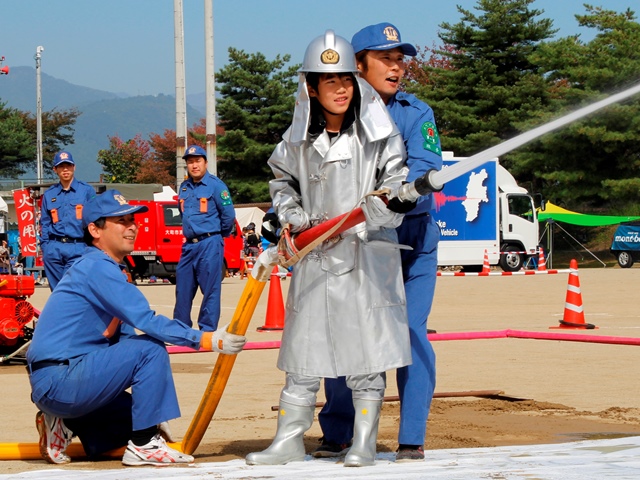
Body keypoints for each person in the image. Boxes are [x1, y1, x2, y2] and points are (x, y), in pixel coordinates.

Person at [245, 30, 411, 468]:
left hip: (364, 254)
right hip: (313, 255)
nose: (340, 89)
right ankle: (289, 438)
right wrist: (294, 217)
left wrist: (385, 203)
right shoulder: (294, 142)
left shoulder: (379, 136)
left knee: (367, 351)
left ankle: (363, 441)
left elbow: (395, 184)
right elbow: (282, 184)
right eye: (329, 81)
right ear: (311, 88)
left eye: (346, 80)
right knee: (303, 351)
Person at [26, 190, 247, 466]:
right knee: (151, 349)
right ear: (94, 229)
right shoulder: (96, 267)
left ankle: (64, 422)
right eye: (121, 221)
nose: (132, 227)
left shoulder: (106, 268)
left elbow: (126, 337)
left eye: (132, 220)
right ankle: (143, 445)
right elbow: (148, 321)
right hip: (60, 379)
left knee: (137, 417)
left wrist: (151, 411)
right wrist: (207, 339)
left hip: (62, 379)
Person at [316, 22, 443, 462]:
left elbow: (426, 163)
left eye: (400, 59)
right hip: (359, 234)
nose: (396, 66)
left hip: (413, 233)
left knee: (410, 331)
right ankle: (338, 430)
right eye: (385, 58)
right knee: (346, 325)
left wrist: (401, 191)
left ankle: (411, 437)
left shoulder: (416, 111)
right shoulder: (337, 112)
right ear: (358, 64)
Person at [173, 145, 236, 331]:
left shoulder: (216, 186)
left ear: (205, 163)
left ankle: (207, 330)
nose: (194, 165)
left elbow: (228, 216)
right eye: (190, 162)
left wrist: (217, 235)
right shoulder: (184, 187)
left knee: (210, 290)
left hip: (210, 243)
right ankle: (180, 328)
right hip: (189, 245)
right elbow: (182, 212)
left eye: (198, 161)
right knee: (183, 288)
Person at [39, 151, 95, 290]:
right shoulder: (49, 194)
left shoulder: (86, 191)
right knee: (57, 291)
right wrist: (46, 247)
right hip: (53, 248)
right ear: (55, 170)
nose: (65, 169)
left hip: (78, 247)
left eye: (68, 166)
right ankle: (58, 312)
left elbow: (95, 219)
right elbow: (45, 223)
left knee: (72, 288)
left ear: (74, 167)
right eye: (61, 166)